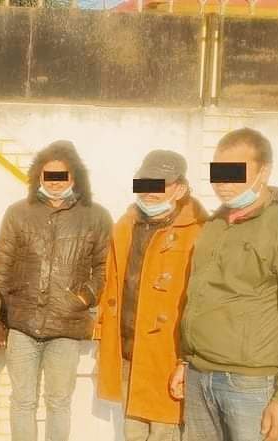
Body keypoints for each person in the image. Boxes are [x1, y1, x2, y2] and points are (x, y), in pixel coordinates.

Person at [170, 128, 278, 441]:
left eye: (234, 173)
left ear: (264, 171)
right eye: (218, 173)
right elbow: (199, 297)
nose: (222, 183)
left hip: (249, 386)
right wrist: (185, 361)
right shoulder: (215, 224)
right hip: (199, 377)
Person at [0, 140, 112, 441]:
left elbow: (105, 267)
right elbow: (1, 268)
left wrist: (83, 298)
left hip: (67, 325)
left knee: (59, 403)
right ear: (38, 176)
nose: (55, 183)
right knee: (22, 402)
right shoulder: (18, 213)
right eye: (49, 176)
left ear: (74, 177)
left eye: (62, 176)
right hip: (22, 324)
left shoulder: (96, 216)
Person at [94, 150, 207, 441]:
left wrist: (186, 359)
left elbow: (202, 302)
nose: (149, 191)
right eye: (144, 182)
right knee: (131, 433)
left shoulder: (199, 230)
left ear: (180, 188)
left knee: (165, 432)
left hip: (167, 358)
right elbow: (110, 284)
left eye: (160, 184)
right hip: (128, 355)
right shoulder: (125, 226)